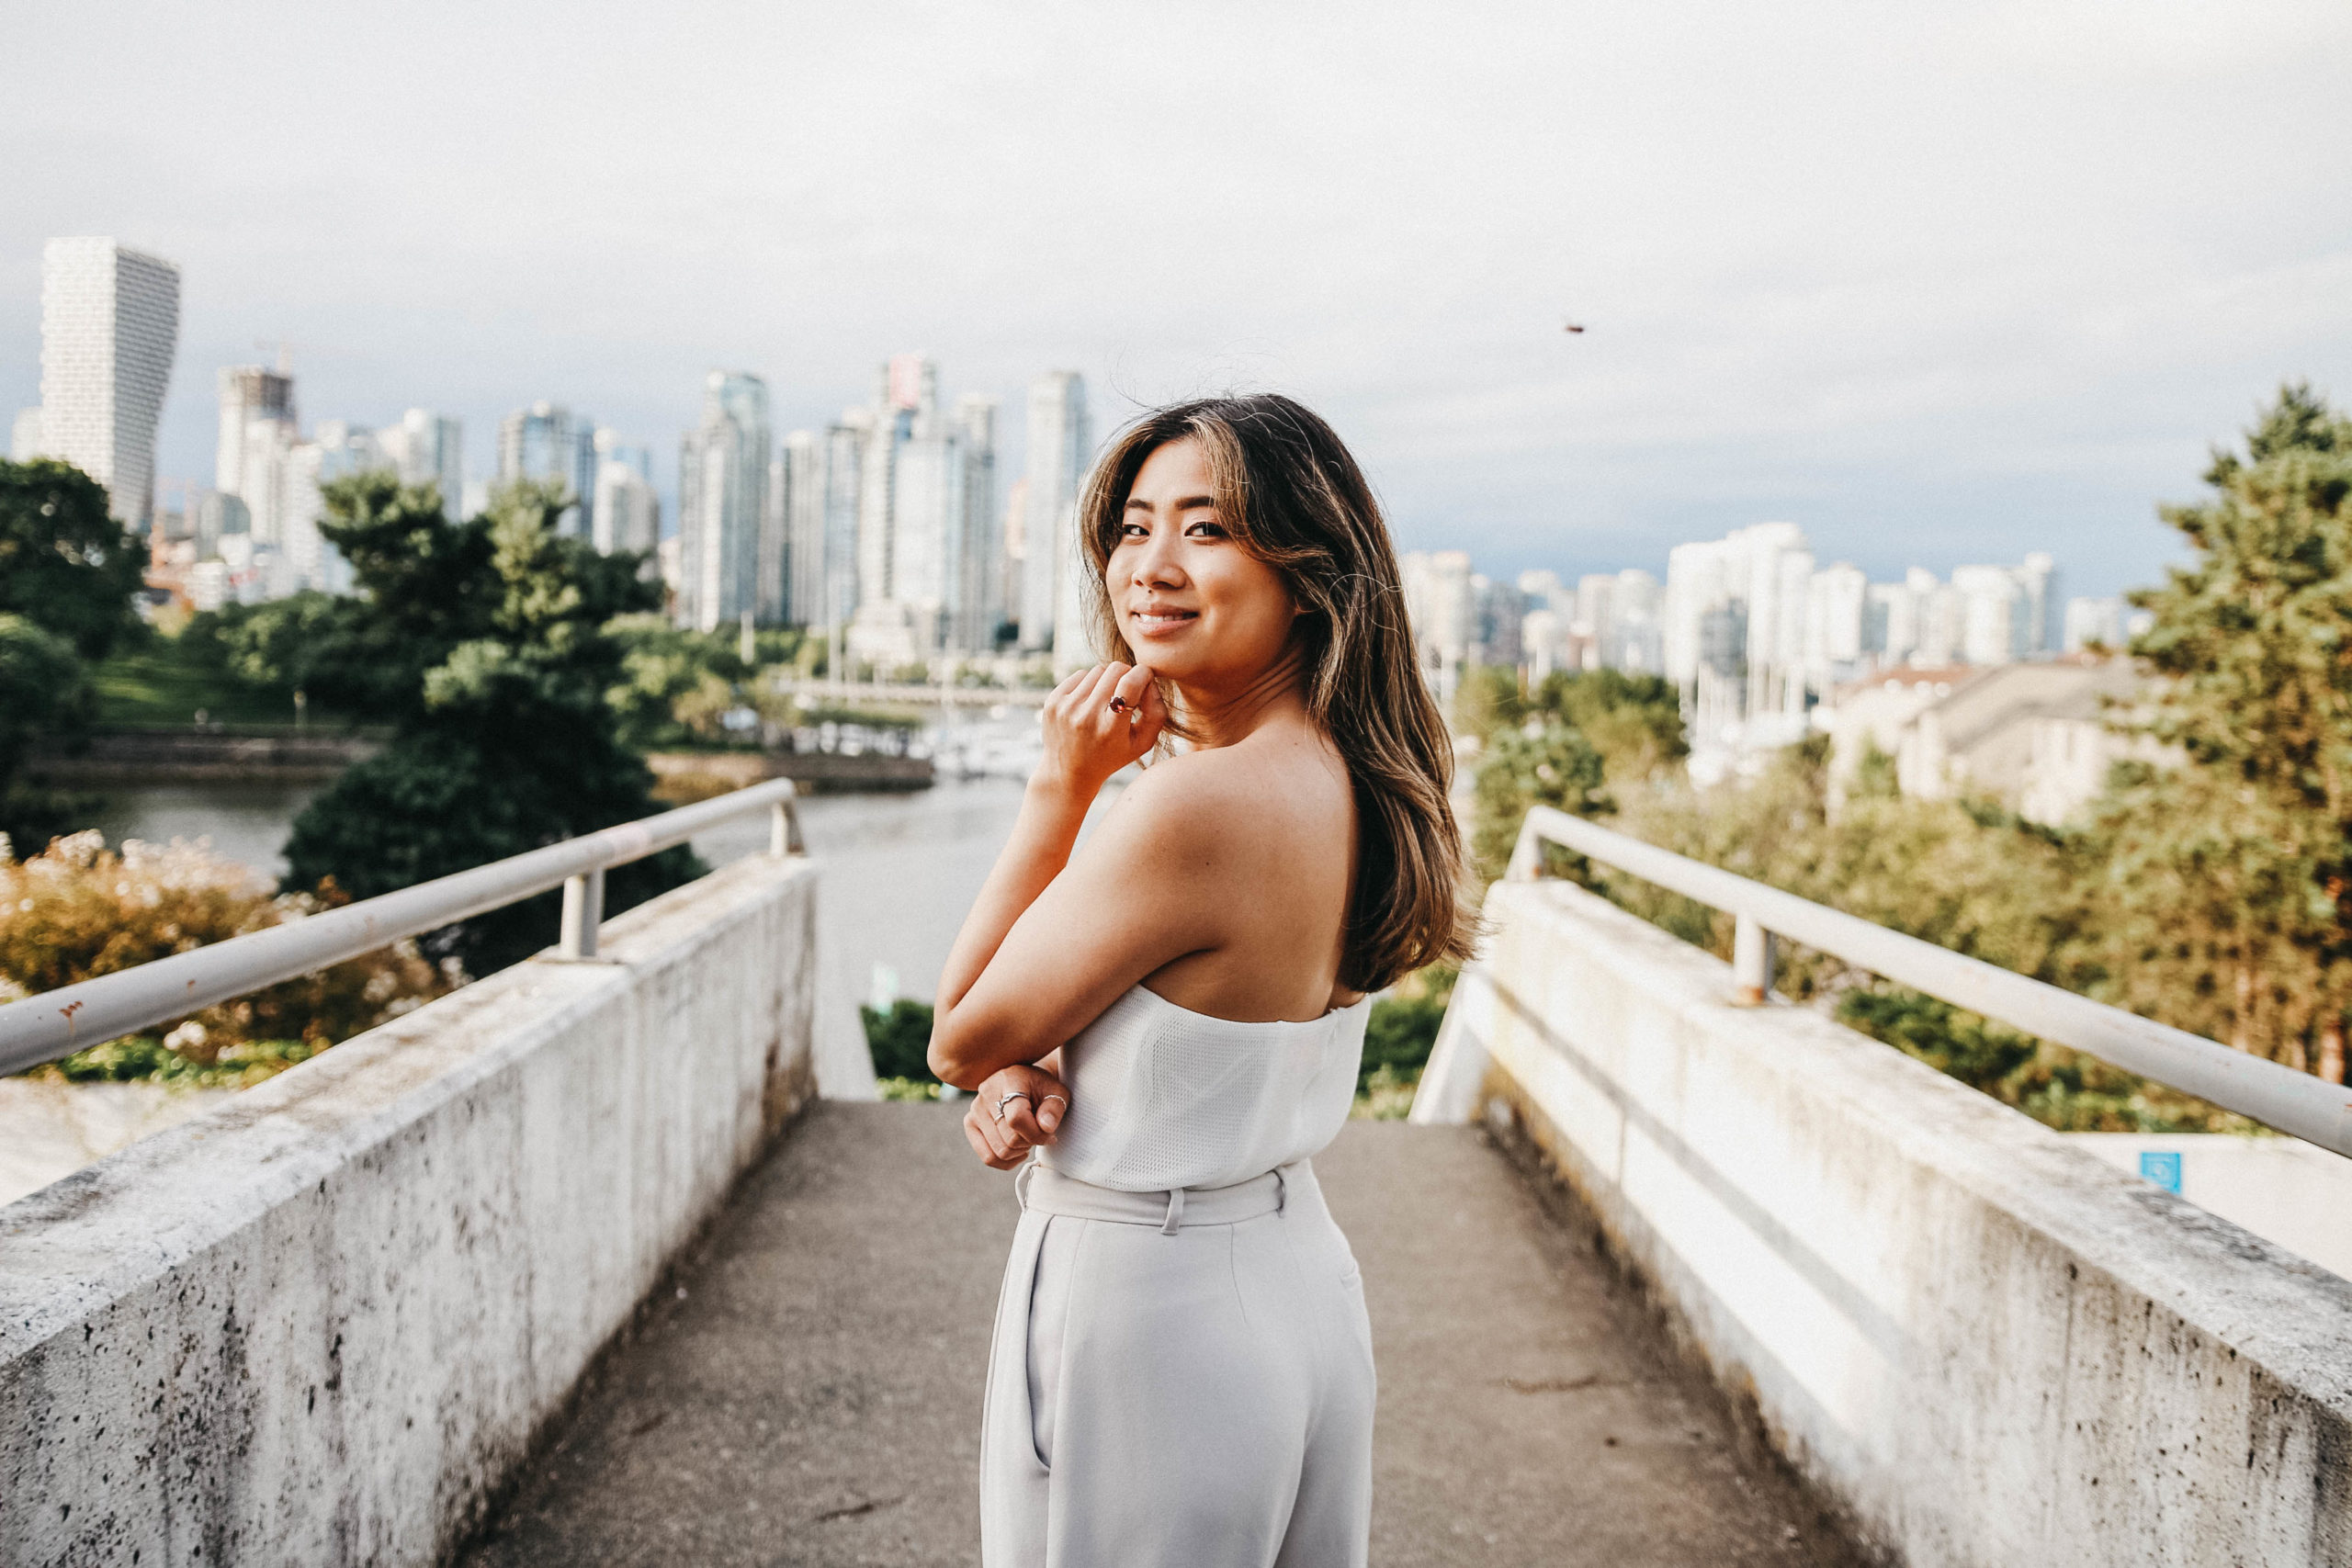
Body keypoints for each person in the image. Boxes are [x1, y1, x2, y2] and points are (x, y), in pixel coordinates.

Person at [927, 394, 1475, 1567]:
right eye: (1131, 528)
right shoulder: (1350, 779)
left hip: (1152, 1304)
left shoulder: (1192, 803)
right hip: (1289, 1279)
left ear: (1309, 571)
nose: (1151, 567)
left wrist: (1059, 790)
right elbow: (1180, 1036)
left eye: (1207, 529)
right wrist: (1049, 1064)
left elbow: (958, 1037)